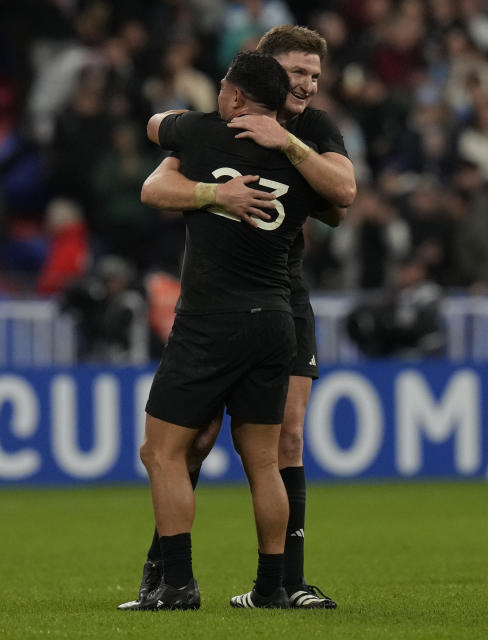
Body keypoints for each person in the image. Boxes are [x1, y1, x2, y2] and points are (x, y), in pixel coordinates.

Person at [120, 25, 356, 611]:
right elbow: (334, 206)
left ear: (234, 88)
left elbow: (343, 194)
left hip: (240, 307)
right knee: (223, 447)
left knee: (191, 448)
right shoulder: (212, 129)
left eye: (314, 76)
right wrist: (214, 192)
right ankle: (219, 578)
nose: (305, 84)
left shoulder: (302, 131)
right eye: (296, 73)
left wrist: (283, 141)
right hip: (271, 311)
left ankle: (223, 583)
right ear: (269, 72)